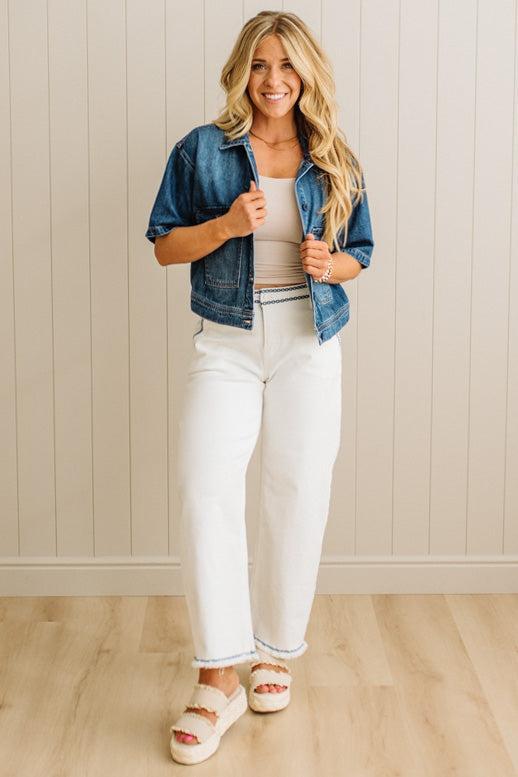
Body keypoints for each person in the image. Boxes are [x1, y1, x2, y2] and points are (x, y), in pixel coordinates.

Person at [145, 10, 374, 765]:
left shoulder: (334, 157)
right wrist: (224, 226)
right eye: (260, 64)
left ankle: (272, 650)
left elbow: (361, 253)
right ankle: (218, 676)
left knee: (296, 489)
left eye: (287, 65)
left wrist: (328, 264)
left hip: (310, 339)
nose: (273, 80)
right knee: (204, 487)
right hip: (228, 340)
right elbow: (164, 246)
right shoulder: (202, 149)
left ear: (307, 73)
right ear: (241, 71)